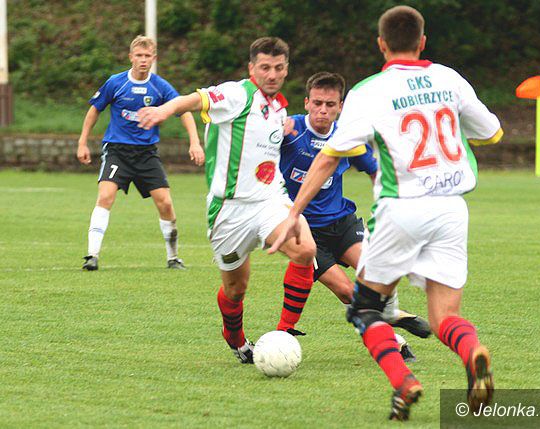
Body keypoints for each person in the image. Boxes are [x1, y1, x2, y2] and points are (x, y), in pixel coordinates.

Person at [269, 6, 503, 421]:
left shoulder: (370, 91)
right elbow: (491, 132)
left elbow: (329, 157)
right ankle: (472, 351)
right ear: (423, 41)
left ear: (381, 44)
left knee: (365, 309)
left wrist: (292, 214)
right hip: (452, 209)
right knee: (445, 316)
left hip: (402, 207)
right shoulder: (449, 78)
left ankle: (404, 382)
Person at [137, 37, 317, 363]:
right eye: (265, 67)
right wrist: (164, 109)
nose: (272, 74)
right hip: (228, 210)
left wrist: (288, 129)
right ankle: (234, 337)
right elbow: (195, 99)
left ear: (286, 69)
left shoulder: (278, 107)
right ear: (252, 68)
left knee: (305, 249)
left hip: (269, 201)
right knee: (236, 289)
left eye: (278, 68)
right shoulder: (237, 94)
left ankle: (284, 332)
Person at [279, 72, 432, 362]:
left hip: (342, 223)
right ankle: (395, 341)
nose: (322, 110)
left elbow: (375, 171)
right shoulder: (289, 130)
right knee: (348, 292)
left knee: (375, 275)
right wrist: (274, 128)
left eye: (330, 105)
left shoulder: (346, 136)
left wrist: (391, 202)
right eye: (317, 103)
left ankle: (391, 314)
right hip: (306, 233)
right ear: (307, 102)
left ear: (340, 107)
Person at [77, 35, 204, 271]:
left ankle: (173, 258)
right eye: (139, 55)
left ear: (153, 58)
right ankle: (92, 256)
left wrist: (194, 142)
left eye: (147, 56)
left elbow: (184, 110)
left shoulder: (159, 86)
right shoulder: (116, 83)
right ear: (131, 57)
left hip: (146, 154)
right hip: (117, 151)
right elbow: (94, 110)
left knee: (165, 203)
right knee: (105, 197)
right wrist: (82, 142)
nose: (143, 60)